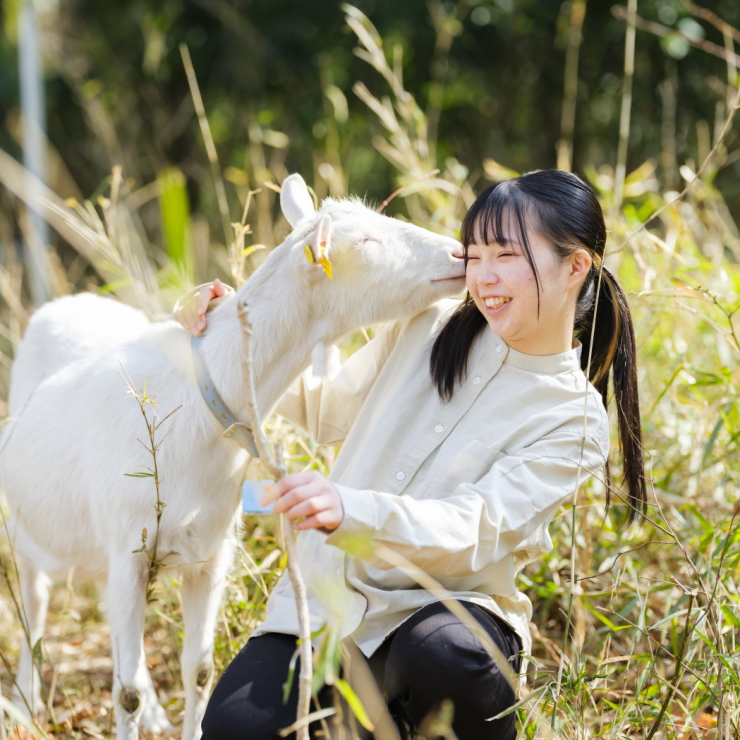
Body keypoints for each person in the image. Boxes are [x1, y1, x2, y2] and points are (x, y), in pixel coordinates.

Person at [175, 169, 646, 740]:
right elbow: (324, 408)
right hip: (332, 608)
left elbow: (475, 526)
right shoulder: (430, 324)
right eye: (474, 256)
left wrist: (352, 511)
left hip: (448, 614)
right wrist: (227, 332)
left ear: (575, 267)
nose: (484, 277)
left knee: (445, 659)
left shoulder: (573, 418)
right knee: (231, 731)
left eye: (506, 255)